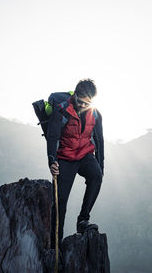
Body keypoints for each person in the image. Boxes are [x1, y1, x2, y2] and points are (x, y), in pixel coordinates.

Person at [47, 78, 104, 251]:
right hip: (65, 158)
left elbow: (99, 141)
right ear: (75, 94)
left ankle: (83, 220)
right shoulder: (61, 111)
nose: (82, 105)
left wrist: (101, 166)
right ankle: (55, 244)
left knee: (96, 177)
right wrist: (52, 161)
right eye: (80, 101)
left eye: (87, 103)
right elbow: (53, 137)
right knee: (60, 202)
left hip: (85, 155)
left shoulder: (95, 114)